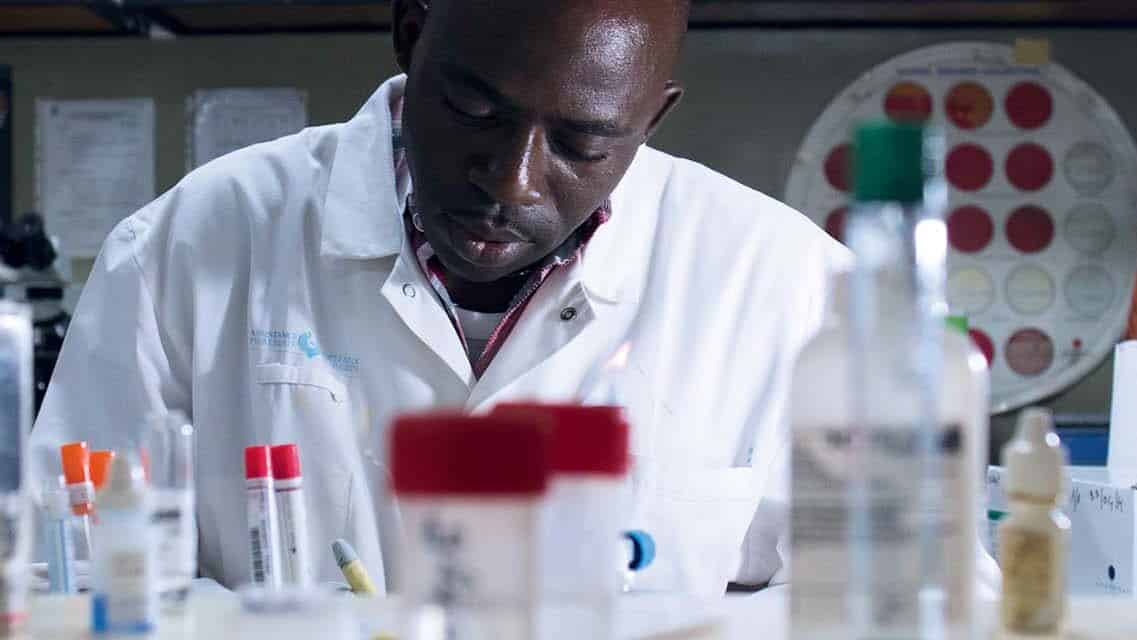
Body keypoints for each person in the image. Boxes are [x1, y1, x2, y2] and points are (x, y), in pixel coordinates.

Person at [31, 0, 846, 595]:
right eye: (474, 111)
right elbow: (68, 568)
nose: (511, 180)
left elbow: (886, 599)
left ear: (650, 118)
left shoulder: (789, 287)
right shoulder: (188, 245)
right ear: (411, 36)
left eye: (582, 143)